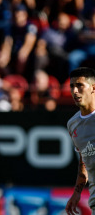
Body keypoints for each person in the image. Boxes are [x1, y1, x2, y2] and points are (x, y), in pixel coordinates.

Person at [65, 67, 95, 215]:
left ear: (93, 88)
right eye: (72, 86)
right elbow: (84, 158)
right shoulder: (73, 124)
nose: (75, 91)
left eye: (80, 85)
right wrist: (77, 192)